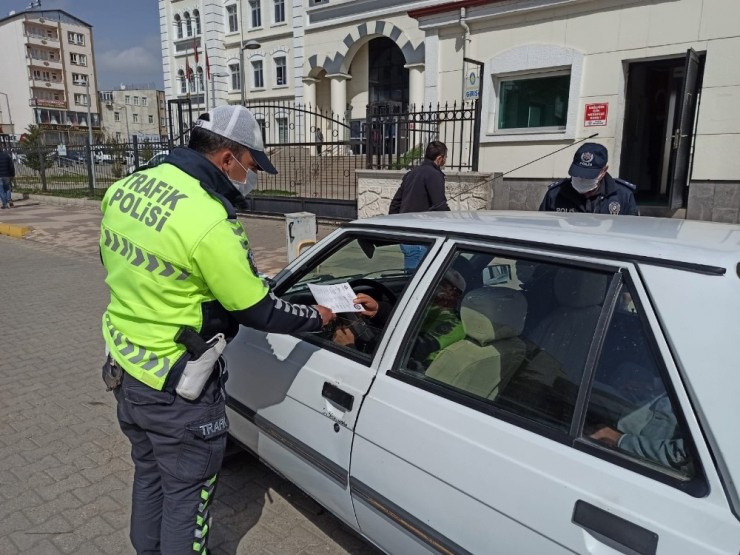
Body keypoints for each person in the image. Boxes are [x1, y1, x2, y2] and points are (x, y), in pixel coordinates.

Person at [99, 104, 335, 554]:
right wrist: (318, 317)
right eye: (250, 165)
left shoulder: (127, 187)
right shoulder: (209, 219)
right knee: (187, 500)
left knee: (150, 477)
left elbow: (119, 263)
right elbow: (258, 310)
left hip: (126, 370)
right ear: (228, 157)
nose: (250, 175)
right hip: (177, 389)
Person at [335, 268, 466, 365]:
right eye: (436, 283)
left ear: (454, 295)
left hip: (413, 370)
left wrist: (349, 348)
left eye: (443, 286)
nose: (435, 288)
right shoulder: (426, 305)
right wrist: (377, 310)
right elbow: (402, 319)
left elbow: (412, 348)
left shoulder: (454, 325)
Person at [389, 140, 450, 270]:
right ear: (439, 158)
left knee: (411, 280)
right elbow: (440, 206)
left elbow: (395, 204)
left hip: (406, 236)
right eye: (445, 158)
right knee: (415, 282)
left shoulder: (411, 173)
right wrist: (453, 223)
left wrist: (395, 228)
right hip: (420, 238)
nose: (445, 161)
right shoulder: (434, 175)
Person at [539, 142, 639, 215]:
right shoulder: (555, 195)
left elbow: (629, 232)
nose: (582, 180)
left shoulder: (623, 196)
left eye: (589, 176)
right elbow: (543, 229)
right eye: (578, 174)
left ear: (603, 171)